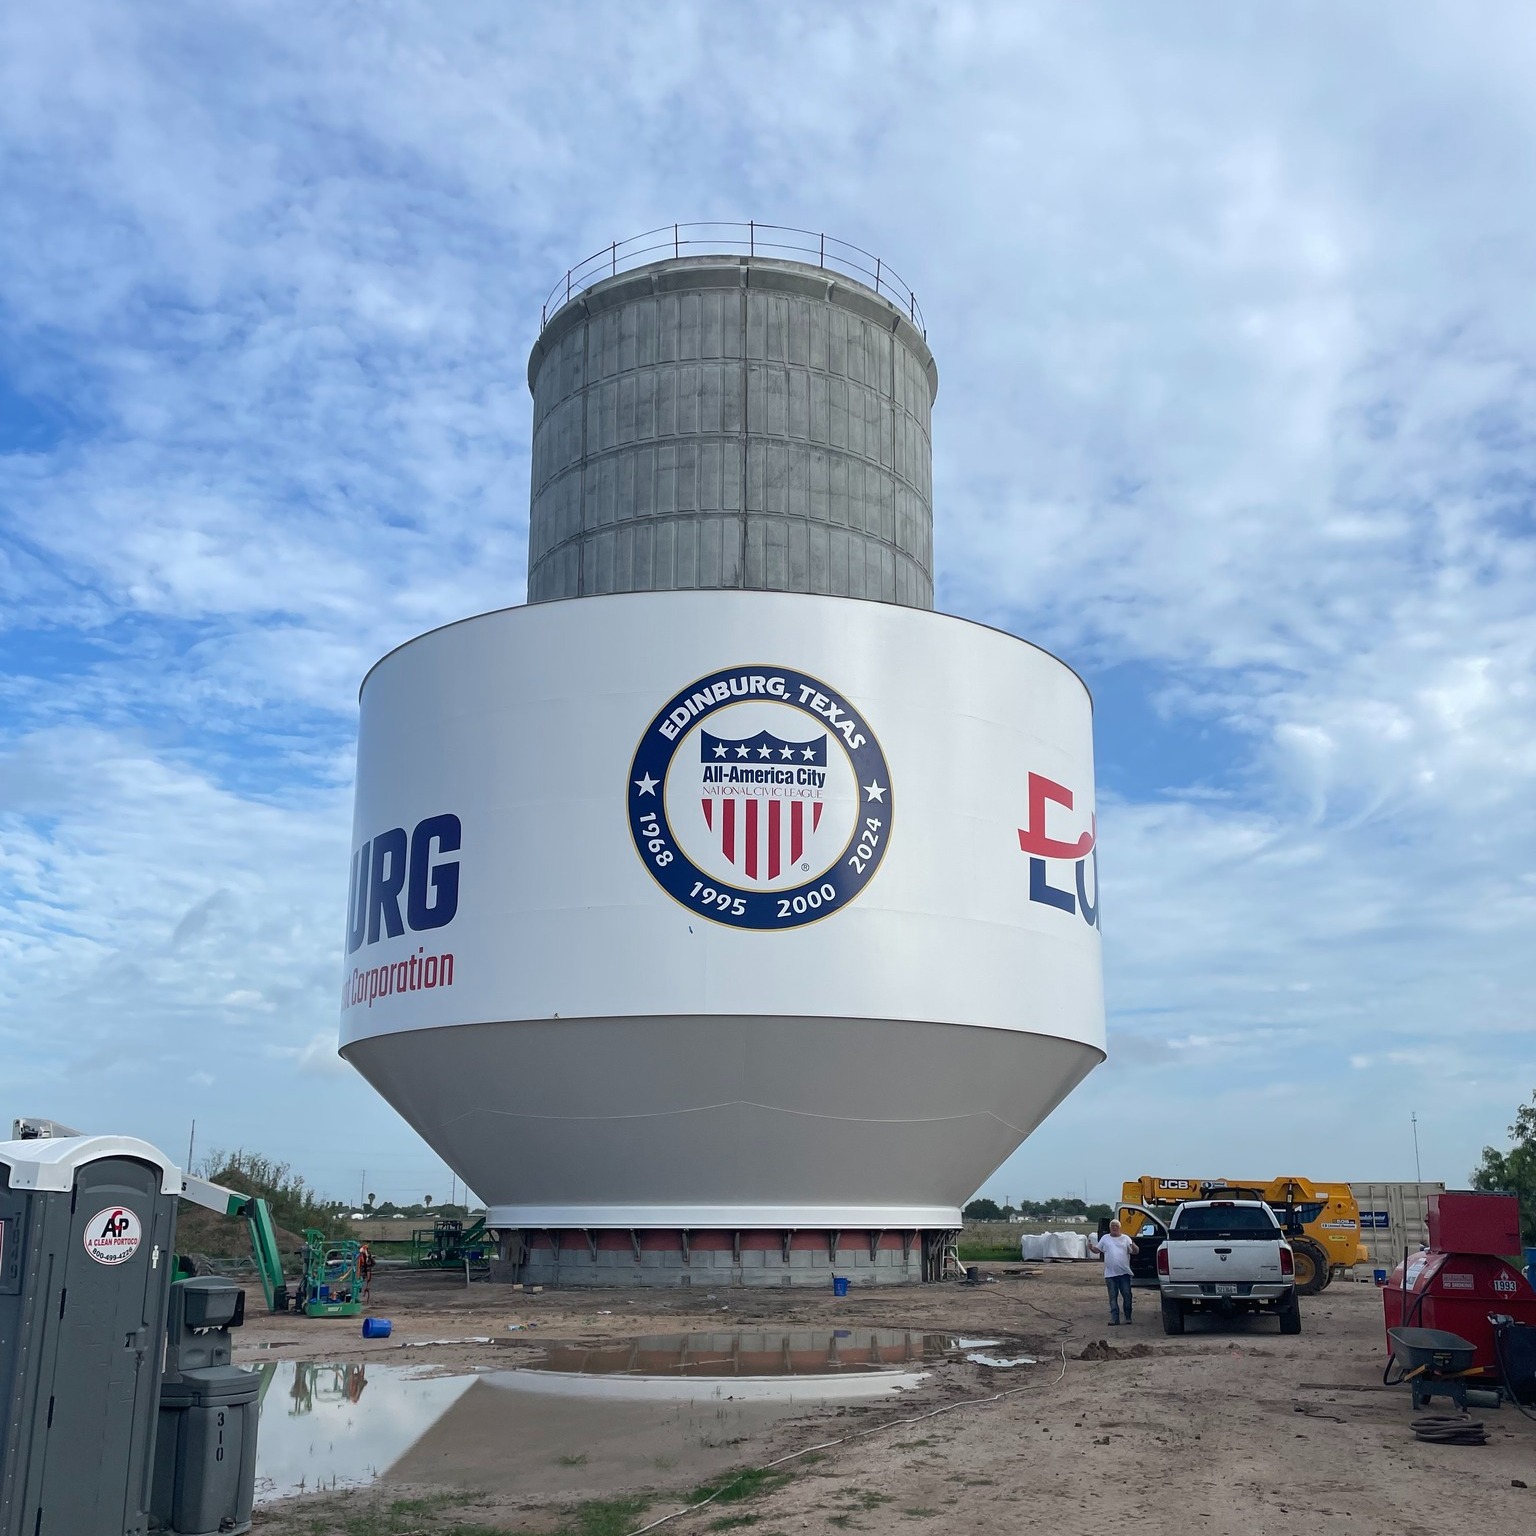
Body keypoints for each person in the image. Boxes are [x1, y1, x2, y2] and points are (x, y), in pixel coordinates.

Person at [1088, 1219, 1139, 1326]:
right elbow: (1097, 1250)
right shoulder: (1105, 1238)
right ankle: (1114, 1318)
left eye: (1116, 1226)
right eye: (1113, 1226)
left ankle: (1128, 1317)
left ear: (1120, 1227)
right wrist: (1091, 1248)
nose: (1115, 1228)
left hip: (1124, 1273)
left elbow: (1135, 1251)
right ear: (1110, 1228)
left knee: (1127, 1295)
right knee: (1112, 1297)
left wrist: (1134, 1245)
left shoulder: (1126, 1238)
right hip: (1110, 1274)